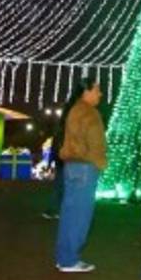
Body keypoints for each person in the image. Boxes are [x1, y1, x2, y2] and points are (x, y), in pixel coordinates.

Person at [54, 78, 105, 273]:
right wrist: (100, 163)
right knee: (81, 215)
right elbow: (96, 143)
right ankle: (70, 260)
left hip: (71, 165)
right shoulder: (89, 113)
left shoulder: (74, 109)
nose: (99, 94)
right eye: (97, 90)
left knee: (69, 213)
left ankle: (64, 257)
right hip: (85, 166)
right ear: (87, 92)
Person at [44, 87, 85, 220]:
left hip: (61, 157)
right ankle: (57, 210)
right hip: (68, 156)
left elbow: (56, 142)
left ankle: (54, 210)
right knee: (67, 185)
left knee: (61, 184)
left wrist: (51, 160)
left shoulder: (63, 122)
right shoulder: (77, 113)